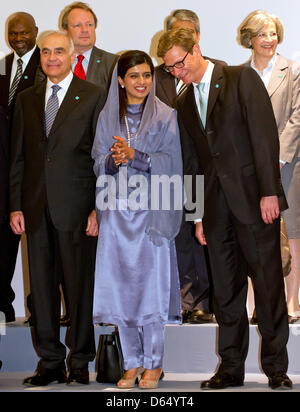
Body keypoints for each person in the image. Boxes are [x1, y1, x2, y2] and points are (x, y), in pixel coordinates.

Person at [157, 28, 292, 391]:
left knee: (267, 288)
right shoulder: (184, 102)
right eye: (170, 69)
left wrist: (270, 193)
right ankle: (230, 368)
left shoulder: (238, 78)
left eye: (179, 64)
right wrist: (198, 214)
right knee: (226, 294)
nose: (177, 73)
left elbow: (265, 137)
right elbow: (193, 163)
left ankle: (276, 369)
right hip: (216, 214)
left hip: (254, 202)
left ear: (196, 50)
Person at [9, 30, 105, 386]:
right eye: (46, 51)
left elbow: (101, 159)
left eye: (58, 51)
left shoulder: (93, 96)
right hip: (35, 211)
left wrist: (98, 208)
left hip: (79, 210)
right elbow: (18, 158)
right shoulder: (27, 99)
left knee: (79, 288)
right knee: (43, 292)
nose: (51, 58)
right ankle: (49, 361)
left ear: (72, 54)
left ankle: (80, 360)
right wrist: (15, 205)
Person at [92, 50, 182, 390]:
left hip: (152, 212)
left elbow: (172, 161)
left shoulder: (166, 115)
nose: (142, 82)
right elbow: (98, 160)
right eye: (134, 76)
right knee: (122, 289)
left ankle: (154, 364)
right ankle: (130, 363)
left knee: (151, 290)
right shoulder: (107, 117)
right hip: (115, 212)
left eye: (146, 75)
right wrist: (113, 161)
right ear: (120, 80)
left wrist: (136, 156)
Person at [156, 9, 227, 324]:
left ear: (196, 38)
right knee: (179, 238)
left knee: (205, 235)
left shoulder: (219, 72)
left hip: (205, 172)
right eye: (175, 33)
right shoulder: (156, 75)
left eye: (188, 33)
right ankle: (184, 300)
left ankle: (207, 301)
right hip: (167, 170)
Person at [237, 10, 300, 324]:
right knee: (253, 234)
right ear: (250, 38)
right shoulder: (239, 74)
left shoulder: (293, 70)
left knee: (293, 234)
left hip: (288, 164)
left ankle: (290, 304)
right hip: (249, 166)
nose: (269, 40)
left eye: (273, 33)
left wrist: (278, 156)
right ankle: (255, 306)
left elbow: (298, 117)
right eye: (262, 34)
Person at [0, 12, 43, 323]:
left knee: (40, 248)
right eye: (12, 33)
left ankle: (39, 309)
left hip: (39, 171)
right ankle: (3, 305)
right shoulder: (2, 66)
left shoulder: (48, 63)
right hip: (6, 172)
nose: (17, 38)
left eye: (23, 33)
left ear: (35, 32)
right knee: (4, 243)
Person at [60, 1, 118, 90]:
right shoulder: (55, 62)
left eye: (89, 25)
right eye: (77, 25)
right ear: (65, 31)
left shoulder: (113, 63)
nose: (85, 30)